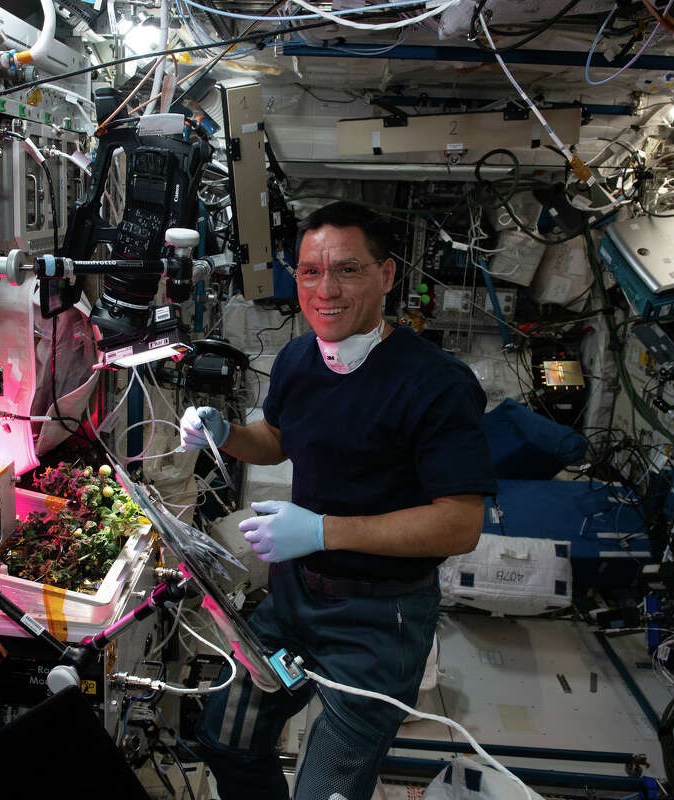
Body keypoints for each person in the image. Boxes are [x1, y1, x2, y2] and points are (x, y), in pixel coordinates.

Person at [177, 201, 498, 800]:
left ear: (387, 275)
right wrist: (224, 433)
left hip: (379, 622)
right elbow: (276, 441)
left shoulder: (436, 384)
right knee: (229, 736)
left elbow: (460, 525)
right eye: (309, 272)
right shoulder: (301, 357)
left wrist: (324, 531)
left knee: (326, 790)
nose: (326, 290)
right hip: (292, 603)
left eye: (348, 270)